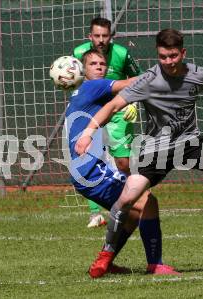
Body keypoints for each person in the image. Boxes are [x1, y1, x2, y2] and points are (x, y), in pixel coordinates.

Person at [75, 29, 203, 278]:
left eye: (173, 56)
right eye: (163, 57)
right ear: (158, 54)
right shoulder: (148, 80)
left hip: (189, 144)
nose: (168, 62)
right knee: (126, 200)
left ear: (182, 53)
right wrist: (89, 131)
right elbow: (113, 105)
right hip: (156, 150)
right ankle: (106, 255)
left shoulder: (198, 75)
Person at [67, 48, 179, 277]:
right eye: (93, 64)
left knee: (134, 212)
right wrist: (163, 71)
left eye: (102, 64)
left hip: (87, 171)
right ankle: (155, 264)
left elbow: (119, 99)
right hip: (91, 171)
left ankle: (106, 262)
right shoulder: (92, 86)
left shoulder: (85, 93)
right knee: (147, 201)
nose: (99, 67)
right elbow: (131, 82)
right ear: (83, 70)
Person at [73, 17, 142, 228]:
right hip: (91, 112)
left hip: (119, 111)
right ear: (90, 36)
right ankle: (95, 214)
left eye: (105, 36)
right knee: (88, 158)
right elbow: (72, 78)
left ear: (111, 36)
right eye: (97, 36)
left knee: (122, 163)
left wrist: (133, 104)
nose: (101, 40)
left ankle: (130, 200)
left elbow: (137, 77)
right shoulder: (78, 54)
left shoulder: (121, 53)